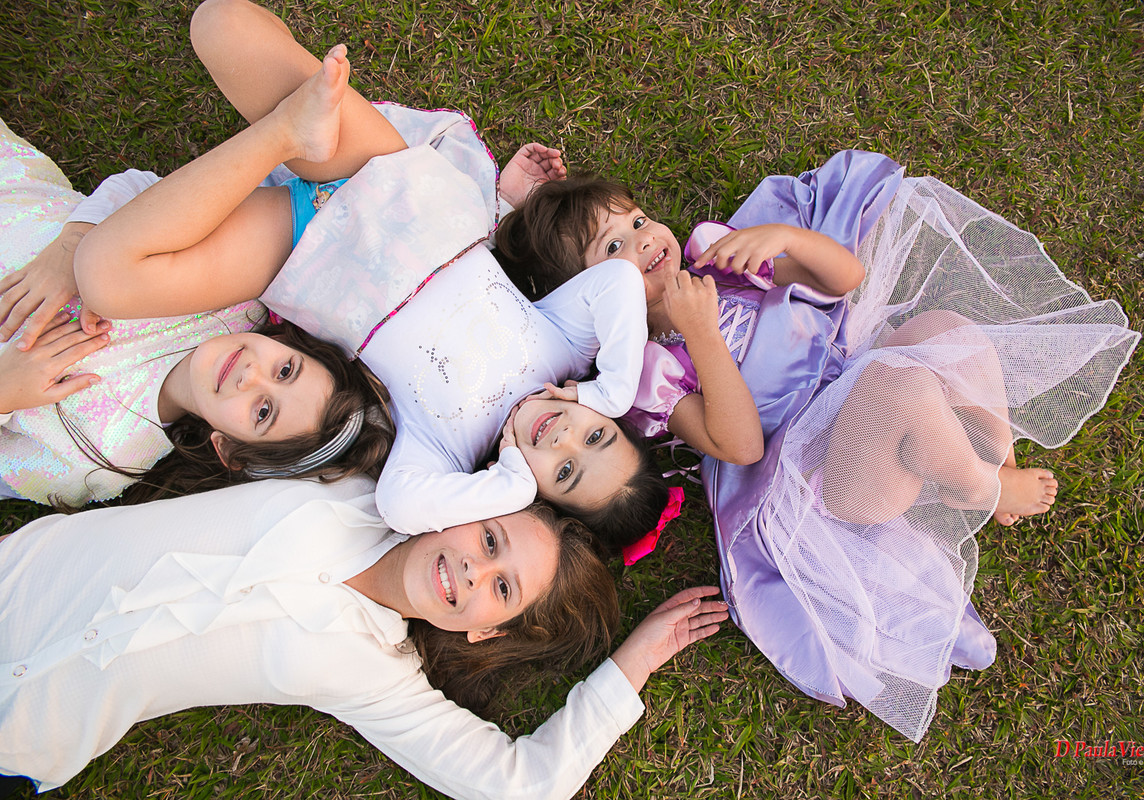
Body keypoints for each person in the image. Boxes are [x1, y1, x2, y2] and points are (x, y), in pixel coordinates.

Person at [492, 152, 1141, 739]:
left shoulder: (717, 256)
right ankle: (980, 486)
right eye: (615, 247)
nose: (645, 240)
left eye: (636, 220)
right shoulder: (649, 373)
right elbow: (739, 446)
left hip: (856, 370)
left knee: (945, 331)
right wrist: (702, 333)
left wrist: (789, 242)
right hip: (824, 472)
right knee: (903, 388)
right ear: (589, 303)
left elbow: (846, 279)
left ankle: (990, 457)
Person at [61, 0, 669, 543]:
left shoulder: (447, 455)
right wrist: (608, 390)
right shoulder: (567, 357)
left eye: (564, 472)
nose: (563, 435)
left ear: (542, 499)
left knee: (107, 279)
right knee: (221, 22)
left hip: (309, 257)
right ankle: (283, 137)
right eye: (597, 436)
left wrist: (512, 486)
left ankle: (276, 141)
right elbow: (616, 283)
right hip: (395, 191)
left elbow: (402, 507)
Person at [0, 476, 729, 797]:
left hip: (20, 738)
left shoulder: (379, 678)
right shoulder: (356, 488)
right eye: (490, 536)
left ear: (484, 631)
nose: (475, 569)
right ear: (462, 509)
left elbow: (522, 786)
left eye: (502, 589)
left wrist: (634, 661)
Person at [0, 120, 392, 506]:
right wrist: (71, 245)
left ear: (229, 449)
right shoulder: (232, 292)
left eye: (263, 411)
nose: (251, 376)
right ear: (291, 343)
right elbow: (140, 189)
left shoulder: (106, 458)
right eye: (285, 370)